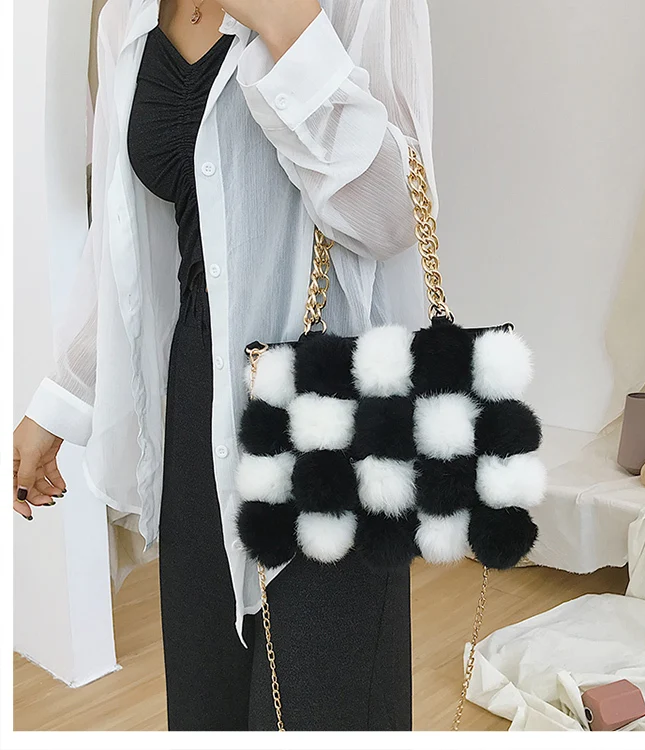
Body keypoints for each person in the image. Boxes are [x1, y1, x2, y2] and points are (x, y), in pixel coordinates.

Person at [14, 0, 433, 732]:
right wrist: (60, 399)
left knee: (327, 710)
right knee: (206, 705)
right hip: (193, 407)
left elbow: (398, 215)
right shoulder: (127, 17)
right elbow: (124, 247)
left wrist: (287, 29)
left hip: (332, 415)